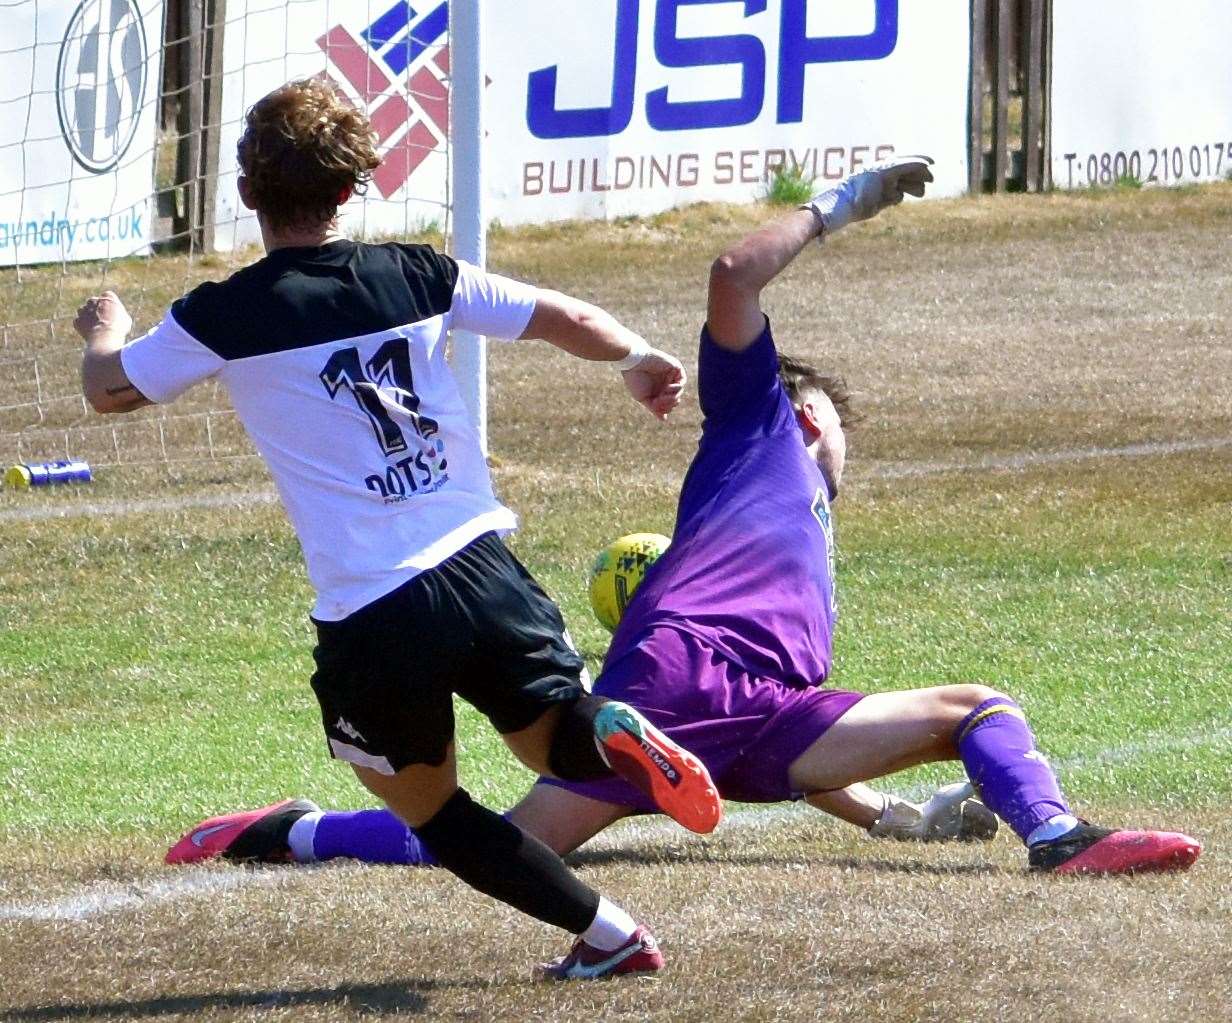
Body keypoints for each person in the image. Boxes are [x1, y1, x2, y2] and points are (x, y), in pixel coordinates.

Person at [170, 153, 1200, 951]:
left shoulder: (807, 519)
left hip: (751, 724)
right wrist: (834, 207)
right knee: (475, 833)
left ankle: (1056, 835)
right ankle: (286, 832)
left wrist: (884, 816)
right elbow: (730, 276)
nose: (838, 440)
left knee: (972, 711)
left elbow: (773, 709)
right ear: (802, 415)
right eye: (831, 420)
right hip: (681, 685)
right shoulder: (757, 423)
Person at [75, 78, 734, 982]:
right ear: (351, 190)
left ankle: (614, 933)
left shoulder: (222, 313)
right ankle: (610, 729)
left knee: (430, 808)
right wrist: (635, 357)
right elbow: (567, 318)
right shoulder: (417, 273)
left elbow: (110, 390)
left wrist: (104, 330)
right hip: (483, 567)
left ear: (245, 193)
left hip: (377, 603)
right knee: (554, 745)